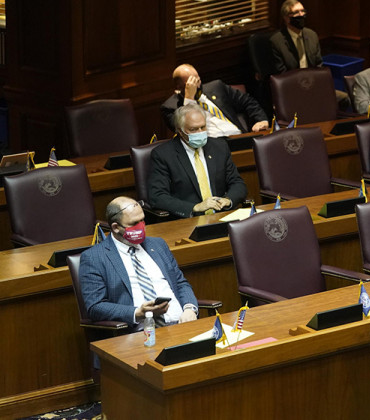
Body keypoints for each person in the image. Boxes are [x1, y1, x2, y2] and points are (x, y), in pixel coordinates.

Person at [79, 196, 199, 331]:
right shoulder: (94, 258)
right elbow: (95, 306)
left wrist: (189, 308)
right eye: (134, 223)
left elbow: (180, 282)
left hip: (181, 324)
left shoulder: (158, 245)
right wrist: (137, 313)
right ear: (116, 227)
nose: (141, 227)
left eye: (142, 220)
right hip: (141, 333)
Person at [149, 103, 247, 218]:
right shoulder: (163, 155)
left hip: (221, 217)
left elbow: (237, 183)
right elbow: (157, 196)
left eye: (203, 127)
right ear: (180, 131)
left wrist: (228, 200)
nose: (200, 132)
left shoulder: (219, 147)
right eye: (193, 129)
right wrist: (194, 207)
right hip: (187, 221)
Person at [269, 0, 350, 109]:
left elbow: (318, 65)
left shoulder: (312, 35)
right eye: (297, 12)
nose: (301, 15)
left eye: (303, 11)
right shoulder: (277, 41)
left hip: (314, 86)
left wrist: (315, 86)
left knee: (345, 98)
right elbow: (281, 74)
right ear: (286, 18)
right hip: (292, 89)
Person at [161, 64, 268, 137]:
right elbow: (187, 132)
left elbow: (247, 101)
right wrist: (189, 99)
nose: (197, 85)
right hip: (210, 149)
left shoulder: (216, 87)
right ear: (179, 87)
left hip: (237, 137)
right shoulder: (170, 107)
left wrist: (261, 120)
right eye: (192, 83)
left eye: (198, 80)